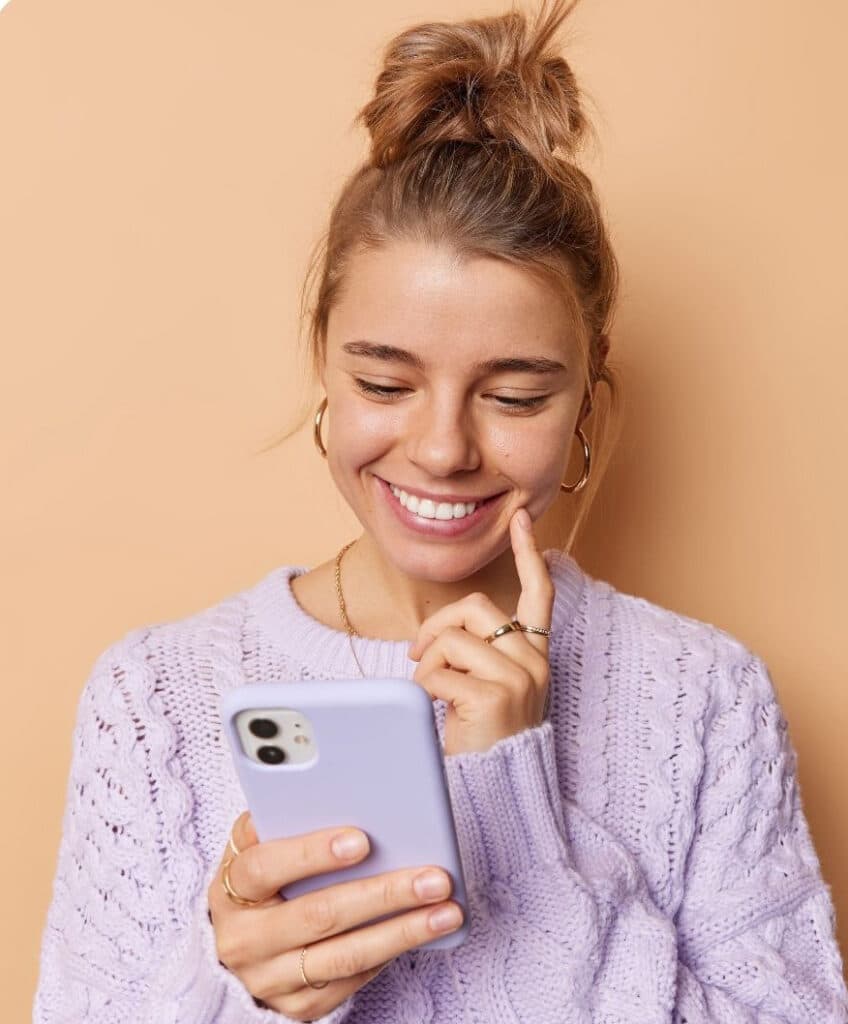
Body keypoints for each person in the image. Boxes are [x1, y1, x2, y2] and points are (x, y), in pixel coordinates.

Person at [34, 0, 848, 1021]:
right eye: (384, 384)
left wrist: (521, 824)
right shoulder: (151, 696)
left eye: (513, 396)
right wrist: (244, 988)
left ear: (586, 407)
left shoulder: (705, 699)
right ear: (323, 369)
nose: (442, 448)